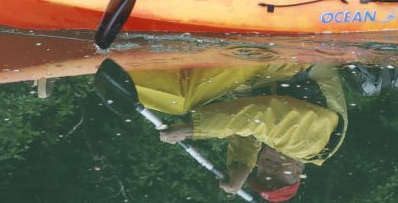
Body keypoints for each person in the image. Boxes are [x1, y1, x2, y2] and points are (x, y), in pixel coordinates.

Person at [140, 63, 348, 201]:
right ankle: (118, 65)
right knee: (180, 98)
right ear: (296, 173)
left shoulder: (285, 144)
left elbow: (250, 129)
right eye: (275, 177)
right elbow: (258, 116)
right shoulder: (308, 145)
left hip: (271, 67)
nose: (266, 169)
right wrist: (192, 129)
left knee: (183, 93)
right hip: (284, 59)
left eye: (262, 174)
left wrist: (240, 165)